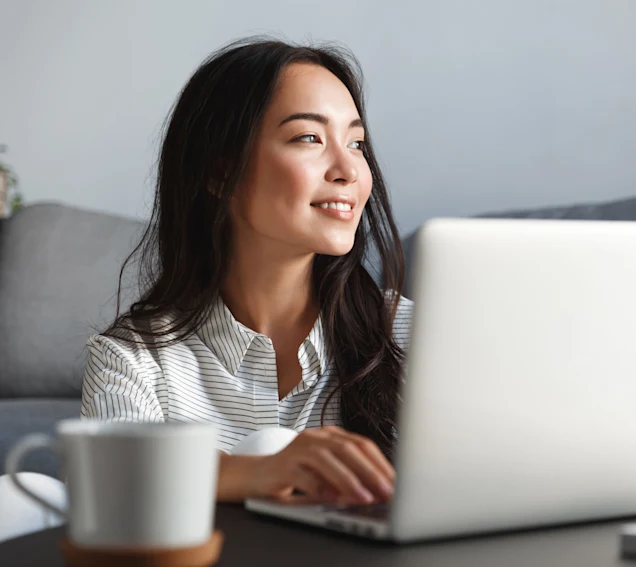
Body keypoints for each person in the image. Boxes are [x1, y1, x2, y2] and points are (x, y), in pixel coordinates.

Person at [0, 36, 413, 542]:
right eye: (309, 138)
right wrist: (258, 471)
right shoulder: (134, 359)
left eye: (356, 143)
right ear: (221, 172)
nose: (349, 171)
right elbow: (115, 491)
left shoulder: (415, 337)